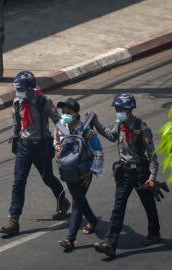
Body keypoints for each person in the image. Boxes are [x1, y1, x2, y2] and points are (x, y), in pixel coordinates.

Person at [92, 92, 169, 257]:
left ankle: (154, 233)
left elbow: (153, 157)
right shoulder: (119, 124)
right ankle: (110, 243)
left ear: (130, 109)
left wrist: (152, 178)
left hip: (141, 173)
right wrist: (96, 123)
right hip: (125, 172)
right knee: (118, 208)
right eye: (117, 108)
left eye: (121, 108)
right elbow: (112, 137)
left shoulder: (142, 128)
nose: (118, 111)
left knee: (148, 204)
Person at [0, 71, 71, 235]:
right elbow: (16, 124)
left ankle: (63, 200)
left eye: (22, 89)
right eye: (18, 89)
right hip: (24, 147)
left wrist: (67, 137)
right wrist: (15, 142)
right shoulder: (17, 102)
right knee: (18, 182)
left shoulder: (44, 101)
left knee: (47, 178)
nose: (19, 92)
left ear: (31, 89)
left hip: (41, 147)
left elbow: (56, 120)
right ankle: (14, 219)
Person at [54, 98, 104, 251]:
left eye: (68, 113)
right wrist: (57, 148)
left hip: (84, 174)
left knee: (76, 202)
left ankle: (70, 239)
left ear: (76, 114)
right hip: (68, 172)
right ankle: (93, 220)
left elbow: (98, 152)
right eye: (63, 112)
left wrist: (91, 172)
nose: (64, 115)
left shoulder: (87, 132)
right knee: (79, 198)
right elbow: (54, 141)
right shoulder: (60, 129)